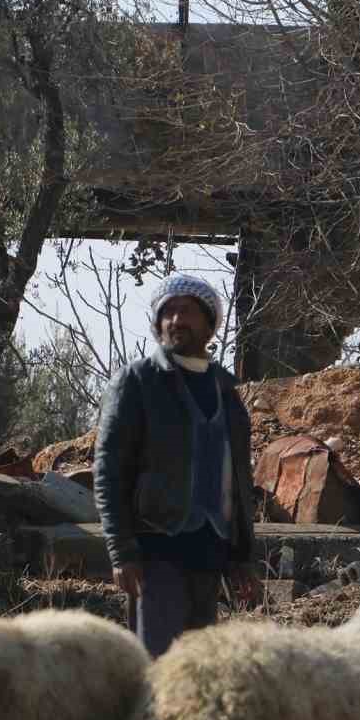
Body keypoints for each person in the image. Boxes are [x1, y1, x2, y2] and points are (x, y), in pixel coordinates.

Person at [92, 274, 256, 658]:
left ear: (209, 323)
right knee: (156, 666)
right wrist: (121, 551)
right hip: (156, 552)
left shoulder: (227, 391)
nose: (176, 320)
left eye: (186, 311)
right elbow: (108, 471)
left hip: (211, 551)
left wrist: (243, 556)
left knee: (198, 670)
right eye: (168, 312)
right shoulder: (137, 381)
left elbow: (240, 480)